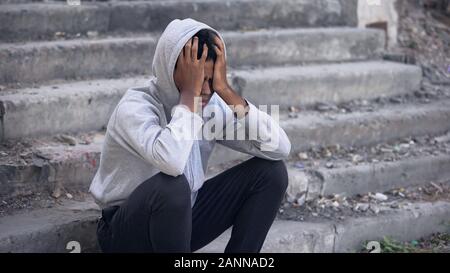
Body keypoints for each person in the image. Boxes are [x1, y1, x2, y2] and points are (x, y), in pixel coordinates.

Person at [89, 18, 291, 253]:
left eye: (211, 79)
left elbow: (279, 147)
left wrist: (226, 90)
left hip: (182, 223)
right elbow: (172, 163)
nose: (205, 90)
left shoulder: (210, 105)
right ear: (168, 70)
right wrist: (188, 97)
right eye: (197, 80)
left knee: (271, 173)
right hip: (126, 232)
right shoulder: (135, 107)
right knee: (173, 186)